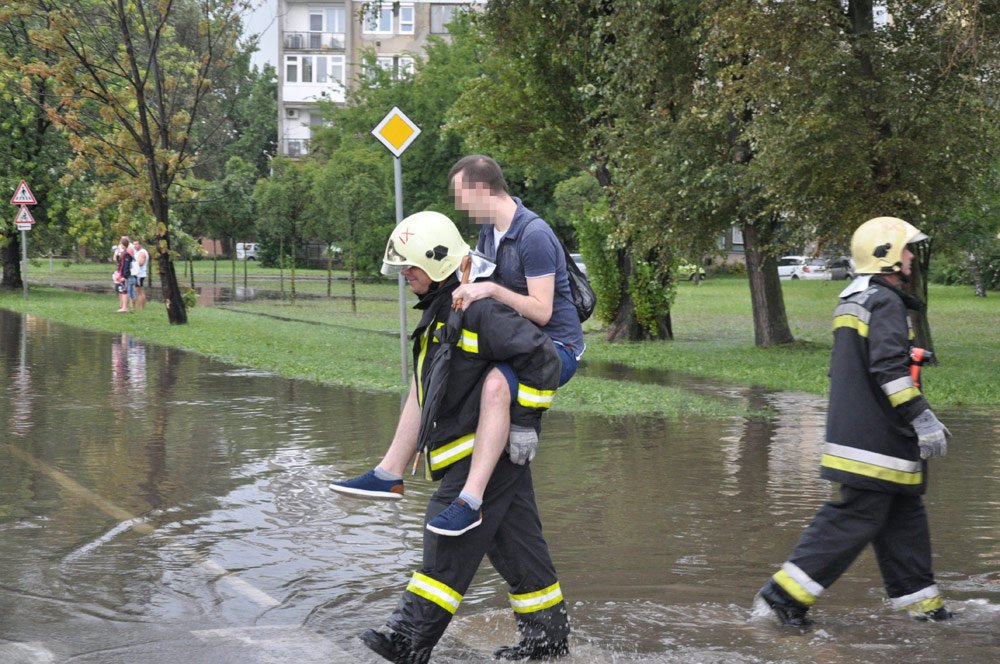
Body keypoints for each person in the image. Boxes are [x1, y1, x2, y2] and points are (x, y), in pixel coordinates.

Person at [346, 211, 570, 663]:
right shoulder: (442, 310)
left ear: (436, 262)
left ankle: (408, 640)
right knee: (517, 547)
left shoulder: (480, 310)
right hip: (468, 448)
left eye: (410, 266)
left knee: (447, 538)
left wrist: (524, 422)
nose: (405, 274)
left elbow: (543, 359)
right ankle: (547, 644)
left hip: (485, 452)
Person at [332, 155, 584, 540]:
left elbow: (542, 310)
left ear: (480, 189)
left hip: (553, 349)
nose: (457, 205)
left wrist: (489, 290)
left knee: (495, 385)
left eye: (459, 195)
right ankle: (389, 472)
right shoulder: (489, 232)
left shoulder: (533, 235)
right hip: (512, 338)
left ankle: (470, 501)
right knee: (430, 366)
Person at [756, 216, 953, 627]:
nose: (912, 256)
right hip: (876, 442)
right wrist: (923, 418)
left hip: (871, 436)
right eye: (906, 249)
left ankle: (925, 611)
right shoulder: (885, 302)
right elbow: (888, 371)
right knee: (854, 517)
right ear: (887, 256)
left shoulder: (858, 298)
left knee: (903, 521)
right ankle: (782, 598)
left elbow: (857, 365)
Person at [114, 236, 134, 313]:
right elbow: (120, 263)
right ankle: (123, 306)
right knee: (122, 290)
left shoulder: (127, 254)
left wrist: (124, 276)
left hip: (124, 275)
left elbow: (126, 266)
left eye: (121, 243)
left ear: (123, 244)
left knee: (124, 291)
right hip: (121, 274)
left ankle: (125, 307)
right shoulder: (123, 253)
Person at [132, 238, 150, 310]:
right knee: (138, 291)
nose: (135, 246)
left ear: (140, 244)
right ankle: (139, 307)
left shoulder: (142, 252)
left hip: (139, 274)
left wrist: (131, 264)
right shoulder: (137, 252)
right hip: (137, 273)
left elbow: (141, 263)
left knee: (139, 291)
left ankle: (142, 308)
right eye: (134, 244)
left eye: (136, 244)